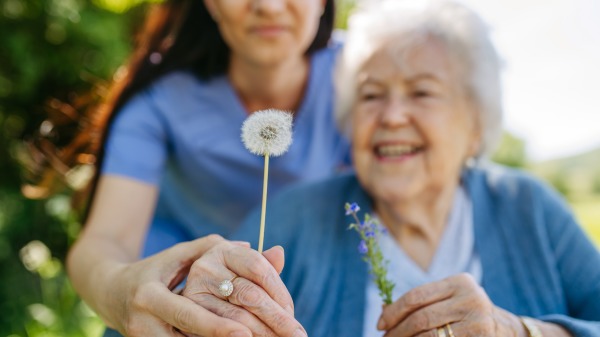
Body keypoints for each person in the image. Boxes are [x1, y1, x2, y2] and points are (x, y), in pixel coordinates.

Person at [219, 1, 600, 336]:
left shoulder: (528, 206)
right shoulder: (295, 216)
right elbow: (209, 304)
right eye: (371, 95)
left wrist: (523, 332)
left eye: (422, 92)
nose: (392, 116)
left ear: (475, 124)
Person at [65, 0, 349, 336]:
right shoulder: (159, 100)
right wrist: (126, 293)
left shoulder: (365, 78)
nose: (269, 6)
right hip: (173, 311)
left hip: (306, 303)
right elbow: (104, 241)